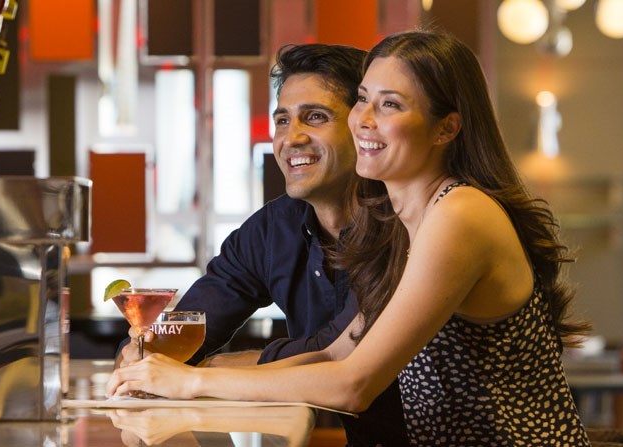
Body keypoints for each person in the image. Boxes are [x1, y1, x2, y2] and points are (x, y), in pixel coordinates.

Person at [108, 30, 592, 446]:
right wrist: (180, 374)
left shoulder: (460, 213)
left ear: (446, 128)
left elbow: (353, 385)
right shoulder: (412, 220)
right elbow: (333, 353)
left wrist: (191, 382)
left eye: (390, 105)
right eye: (363, 99)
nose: (363, 119)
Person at [115, 43, 408, 445]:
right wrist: (142, 355)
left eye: (316, 117)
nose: (292, 138)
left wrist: (212, 371)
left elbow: (340, 353)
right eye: (282, 120)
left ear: (363, 126)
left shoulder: (404, 224)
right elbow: (192, 325)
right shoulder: (274, 228)